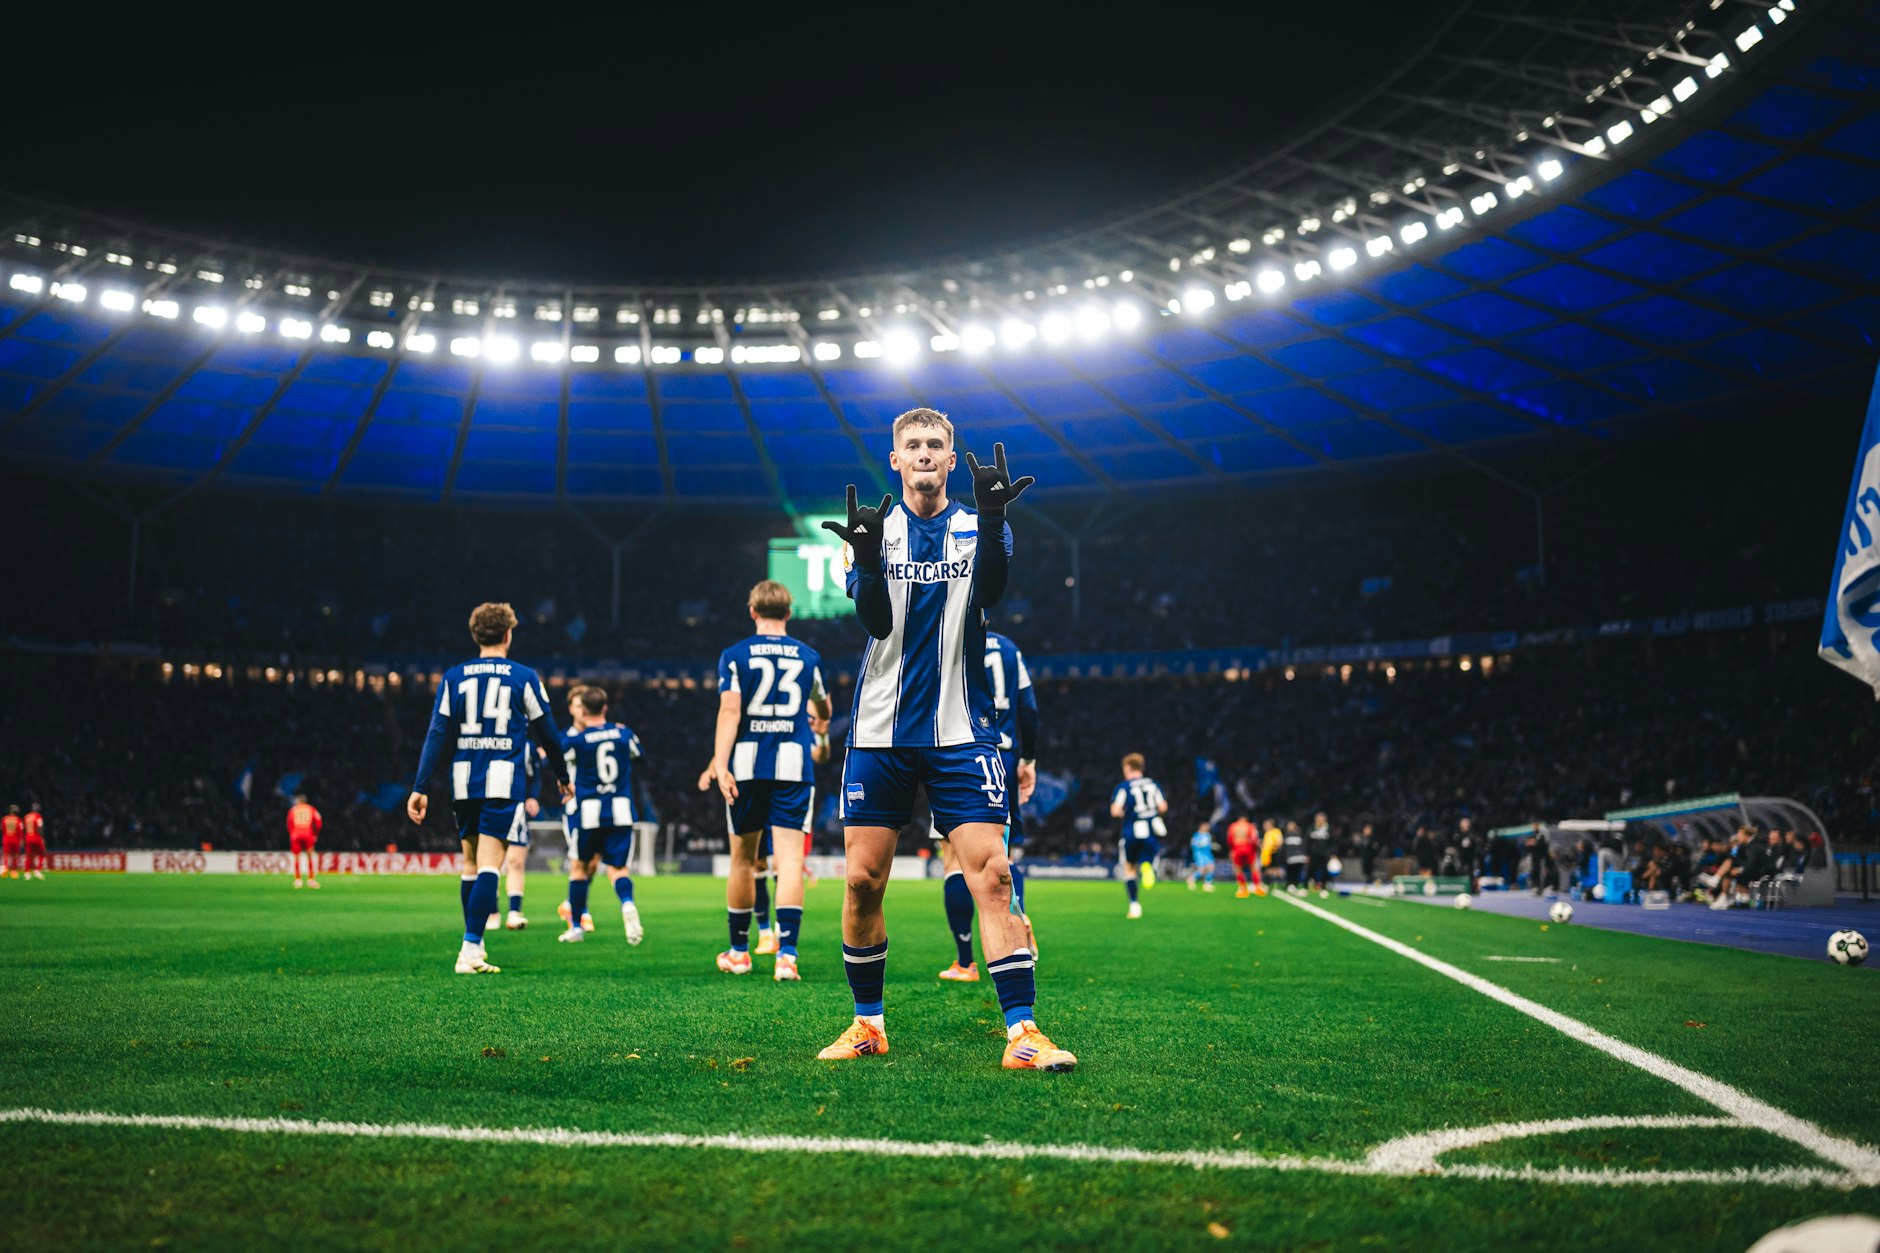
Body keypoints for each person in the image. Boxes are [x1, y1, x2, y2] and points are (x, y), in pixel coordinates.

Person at [814, 411, 1073, 1071]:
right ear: (895, 459)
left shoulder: (981, 524)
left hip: (963, 729)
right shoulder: (871, 532)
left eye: (935, 444)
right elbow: (875, 620)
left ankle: (1023, 1031)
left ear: (952, 460)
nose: (925, 453)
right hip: (880, 730)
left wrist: (992, 518)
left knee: (994, 873)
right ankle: (868, 1024)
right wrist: (866, 558)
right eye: (913, 445)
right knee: (862, 881)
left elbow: (992, 590)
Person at [407, 602, 571, 975]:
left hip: (463, 779)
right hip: (502, 780)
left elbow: (437, 732)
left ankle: (475, 945)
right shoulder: (524, 676)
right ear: (509, 635)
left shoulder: (453, 677)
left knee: (470, 864)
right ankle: (469, 951)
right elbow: (548, 731)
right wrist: (562, 774)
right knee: (489, 865)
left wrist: (420, 785)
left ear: (475, 634)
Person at [702, 579, 831, 981]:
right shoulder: (808, 656)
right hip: (793, 766)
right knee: (790, 861)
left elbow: (729, 711)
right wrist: (821, 720)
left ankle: (739, 953)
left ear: (752, 611)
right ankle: (786, 957)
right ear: (788, 613)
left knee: (743, 860)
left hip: (746, 766)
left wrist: (720, 764)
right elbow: (823, 706)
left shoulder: (734, 655)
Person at [939, 628, 1041, 980]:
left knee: (954, 860)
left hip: (956, 753)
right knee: (1002, 855)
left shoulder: (948, 635)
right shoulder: (1010, 648)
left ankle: (966, 962)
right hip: (1004, 756)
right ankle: (1019, 926)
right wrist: (1028, 759)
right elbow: (1028, 708)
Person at [556, 686, 646, 946]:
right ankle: (627, 903)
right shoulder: (624, 733)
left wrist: (564, 783)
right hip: (621, 810)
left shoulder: (578, 740)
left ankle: (576, 927)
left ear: (583, 710)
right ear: (605, 707)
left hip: (589, 813)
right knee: (618, 869)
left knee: (579, 869)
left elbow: (558, 762)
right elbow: (639, 755)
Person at [1110, 753, 1168, 920]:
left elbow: (1115, 810)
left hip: (1131, 830)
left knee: (1129, 868)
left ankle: (1134, 905)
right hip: (1150, 829)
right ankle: (1147, 865)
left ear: (1128, 768)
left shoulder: (1124, 787)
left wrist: (1127, 813)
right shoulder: (1153, 784)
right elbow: (1163, 807)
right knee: (1147, 857)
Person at [286, 793, 321, 889]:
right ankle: (311, 880)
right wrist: (315, 833)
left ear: (299, 801)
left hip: (296, 834)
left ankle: (298, 880)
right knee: (310, 856)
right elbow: (318, 822)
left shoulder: (293, 810)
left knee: (296, 857)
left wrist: (291, 833)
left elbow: (289, 823)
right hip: (308, 833)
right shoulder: (311, 809)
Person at [1225, 813, 1264, 898]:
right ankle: (1258, 888)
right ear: (1246, 818)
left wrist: (1231, 849)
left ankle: (1243, 889)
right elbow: (1254, 839)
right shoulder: (1250, 826)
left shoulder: (1233, 826)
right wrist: (1255, 850)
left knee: (1238, 869)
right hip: (1248, 848)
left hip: (1237, 848)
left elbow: (1229, 839)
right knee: (1253, 868)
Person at [1306, 811, 1335, 898]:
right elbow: (1307, 842)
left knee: (1325, 871)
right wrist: (1307, 854)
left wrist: (1332, 853)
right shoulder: (1311, 828)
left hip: (1325, 855)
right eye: (1318, 819)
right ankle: (1309, 885)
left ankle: (1324, 886)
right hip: (1313, 855)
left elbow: (1333, 842)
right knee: (1311, 870)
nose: (1320, 821)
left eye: (1321, 819)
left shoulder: (1329, 829)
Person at [1188, 818, 1217, 892]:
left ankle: (1207, 884)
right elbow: (1193, 845)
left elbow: (1208, 844)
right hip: (1199, 854)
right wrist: (1201, 844)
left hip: (1208, 854)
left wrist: (1213, 846)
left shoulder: (1208, 835)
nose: (1207, 827)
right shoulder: (1196, 835)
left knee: (1211, 867)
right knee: (1202, 870)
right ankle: (1191, 878)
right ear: (1201, 826)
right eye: (1206, 826)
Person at [22, 802, 47, 880]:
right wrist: (42, 838)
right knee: (42, 853)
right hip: (36, 837)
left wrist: (23, 839)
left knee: (29, 855)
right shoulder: (38, 816)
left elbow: (24, 829)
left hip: (28, 837)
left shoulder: (26, 817)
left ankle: (27, 873)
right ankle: (37, 870)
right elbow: (40, 827)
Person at [1281, 820, 1308, 891]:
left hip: (1299, 858)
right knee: (1290, 873)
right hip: (1290, 858)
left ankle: (1294, 885)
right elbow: (1284, 848)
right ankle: (1289, 884)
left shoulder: (1300, 835)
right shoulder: (1286, 835)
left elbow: (1304, 846)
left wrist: (1305, 855)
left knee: (1296, 873)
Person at [2, 805, 22, 880]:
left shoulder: (4, 819)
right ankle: (13, 871)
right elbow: (20, 831)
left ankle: (5, 868)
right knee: (15, 855)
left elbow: (3, 830)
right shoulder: (18, 820)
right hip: (15, 839)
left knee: (6, 855)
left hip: (6, 839)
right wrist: (21, 840)